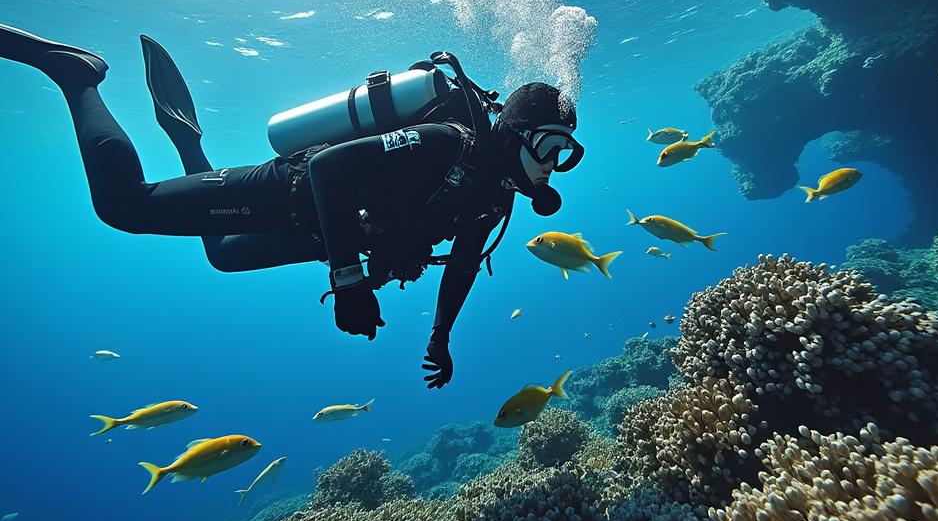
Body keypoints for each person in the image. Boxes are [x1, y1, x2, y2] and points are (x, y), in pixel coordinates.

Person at [0, 24, 584, 389]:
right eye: (550, 146)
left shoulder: (491, 199)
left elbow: (460, 265)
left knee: (224, 257)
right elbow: (331, 167)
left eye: (565, 156)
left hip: (320, 235)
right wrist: (350, 280)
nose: (552, 167)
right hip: (292, 190)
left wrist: (440, 337)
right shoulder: (448, 143)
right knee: (124, 207)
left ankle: (187, 140)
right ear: (516, 134)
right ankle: (75, 76)